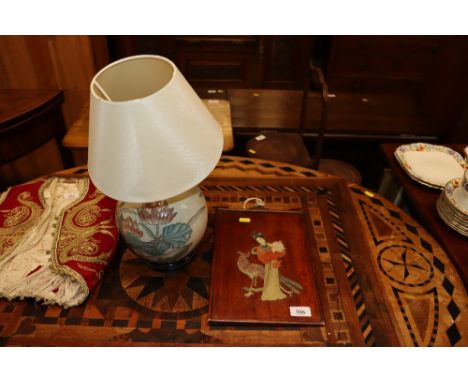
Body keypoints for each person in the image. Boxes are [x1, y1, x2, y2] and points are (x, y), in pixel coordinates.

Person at [250, 232, 287, 301]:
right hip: (268, 265)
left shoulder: (270, 245)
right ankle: (267, 295)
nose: (260, 241)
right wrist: (271, 253)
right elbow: (262, 258)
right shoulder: (259, 249)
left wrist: (280, 249)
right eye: (258, 240)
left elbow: (280, 254)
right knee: (269, 279)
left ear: (263, 238)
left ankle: (276, 293)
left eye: (261, 239)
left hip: (275, 264)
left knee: (275, 278)